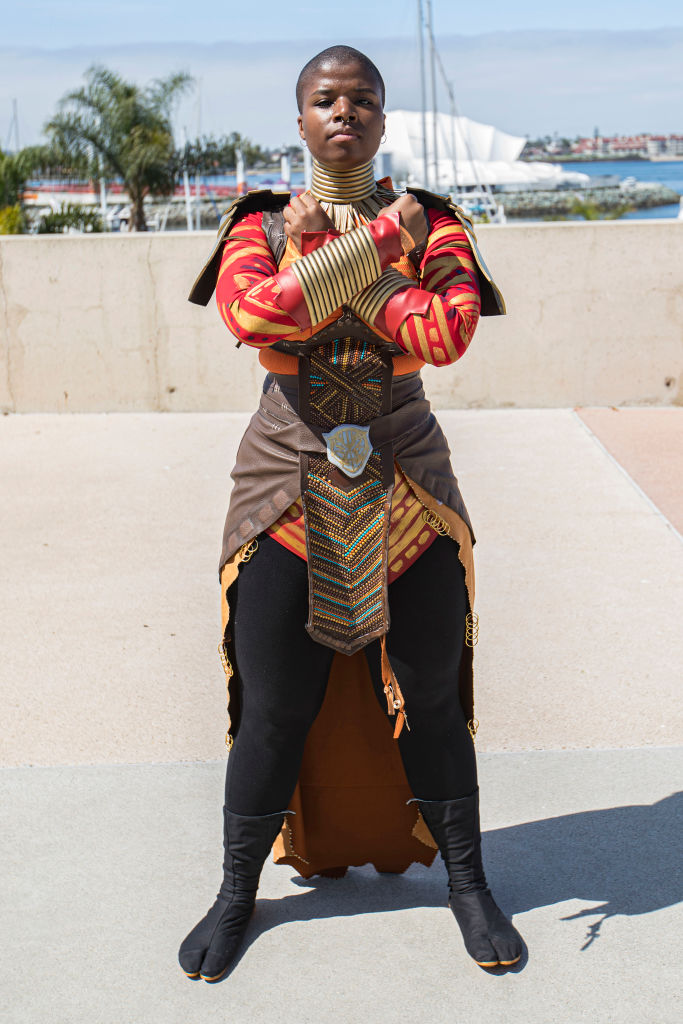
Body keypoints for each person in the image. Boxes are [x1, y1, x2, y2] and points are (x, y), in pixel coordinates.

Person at [178, 44, 524, 982]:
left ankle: (467, 882)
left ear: (381, 117)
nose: (344, 114)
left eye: (361, 100)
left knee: (434, 695)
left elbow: (444, 333)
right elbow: (256, 318)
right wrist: (379, 251)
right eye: (325, 101)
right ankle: (236, 891)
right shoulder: (256, 220)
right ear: (299, 121)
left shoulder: (438, 221)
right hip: (285, 479)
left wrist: (327, 261)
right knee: (274, 707)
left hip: (408, 480)